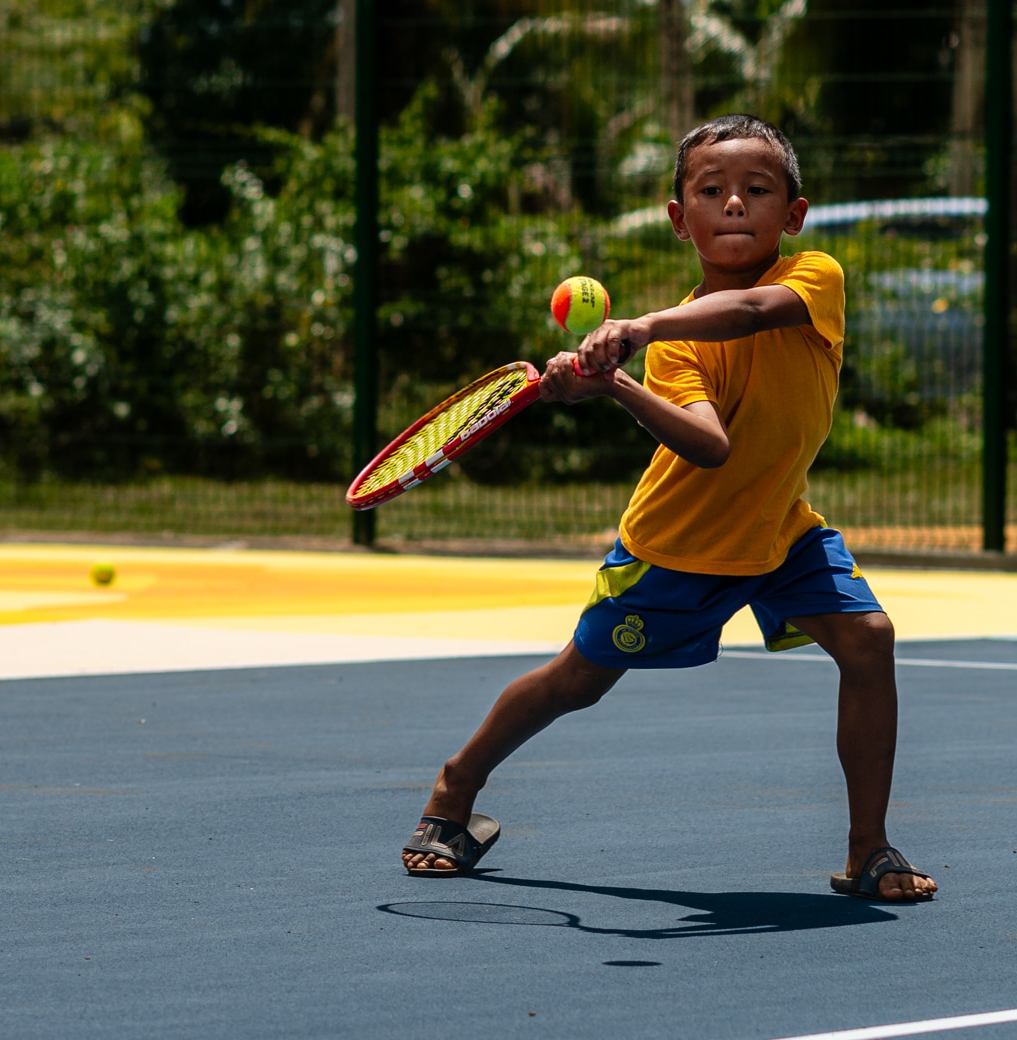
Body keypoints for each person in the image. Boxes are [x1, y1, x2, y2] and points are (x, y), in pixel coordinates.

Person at [400, 114, 936, 903]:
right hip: (676, 543)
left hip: (780, 528)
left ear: (793, 216)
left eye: (756, 191)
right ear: (679, 219)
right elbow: (709, 446)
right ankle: (455, 788)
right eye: (710, 191)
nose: (733, 205)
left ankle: (868, 850)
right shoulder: (680, 349)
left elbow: (754, 313)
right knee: (578, 680)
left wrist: (635, 333)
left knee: (868, 639)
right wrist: (617, 380)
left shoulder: (814, 278)